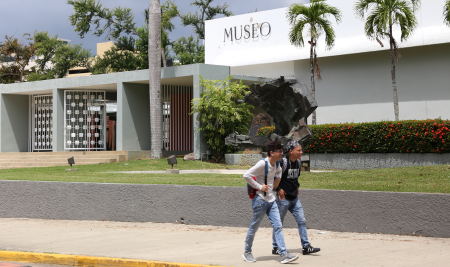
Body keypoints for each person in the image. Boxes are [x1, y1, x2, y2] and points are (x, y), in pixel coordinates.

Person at [242, 140, 299, 264]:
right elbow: (246, 175)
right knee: (254, 227)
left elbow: (278, 171)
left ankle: (283, 254)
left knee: (278, 226)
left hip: (271, 200)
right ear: (272, 153)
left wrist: (277, 179)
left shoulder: (277, 164)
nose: (281, 154)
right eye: (279, 152)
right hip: (260, 201)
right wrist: (259, 186)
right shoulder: (262, 164)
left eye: (282, 151)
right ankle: (247, 252)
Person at [272, 140, 320, 256]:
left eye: (301, 150)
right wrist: (278, 190)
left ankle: (306, 246)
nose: (301, 152)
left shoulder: (298, 163)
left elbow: (295, 178)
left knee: (302, 221)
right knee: (278, 223)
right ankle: (275, 247)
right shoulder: (283, 162)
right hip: (283, 199)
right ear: (291, 151)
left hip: (294, 198)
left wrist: (297, 187)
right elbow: (273, 178)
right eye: (298, 150)